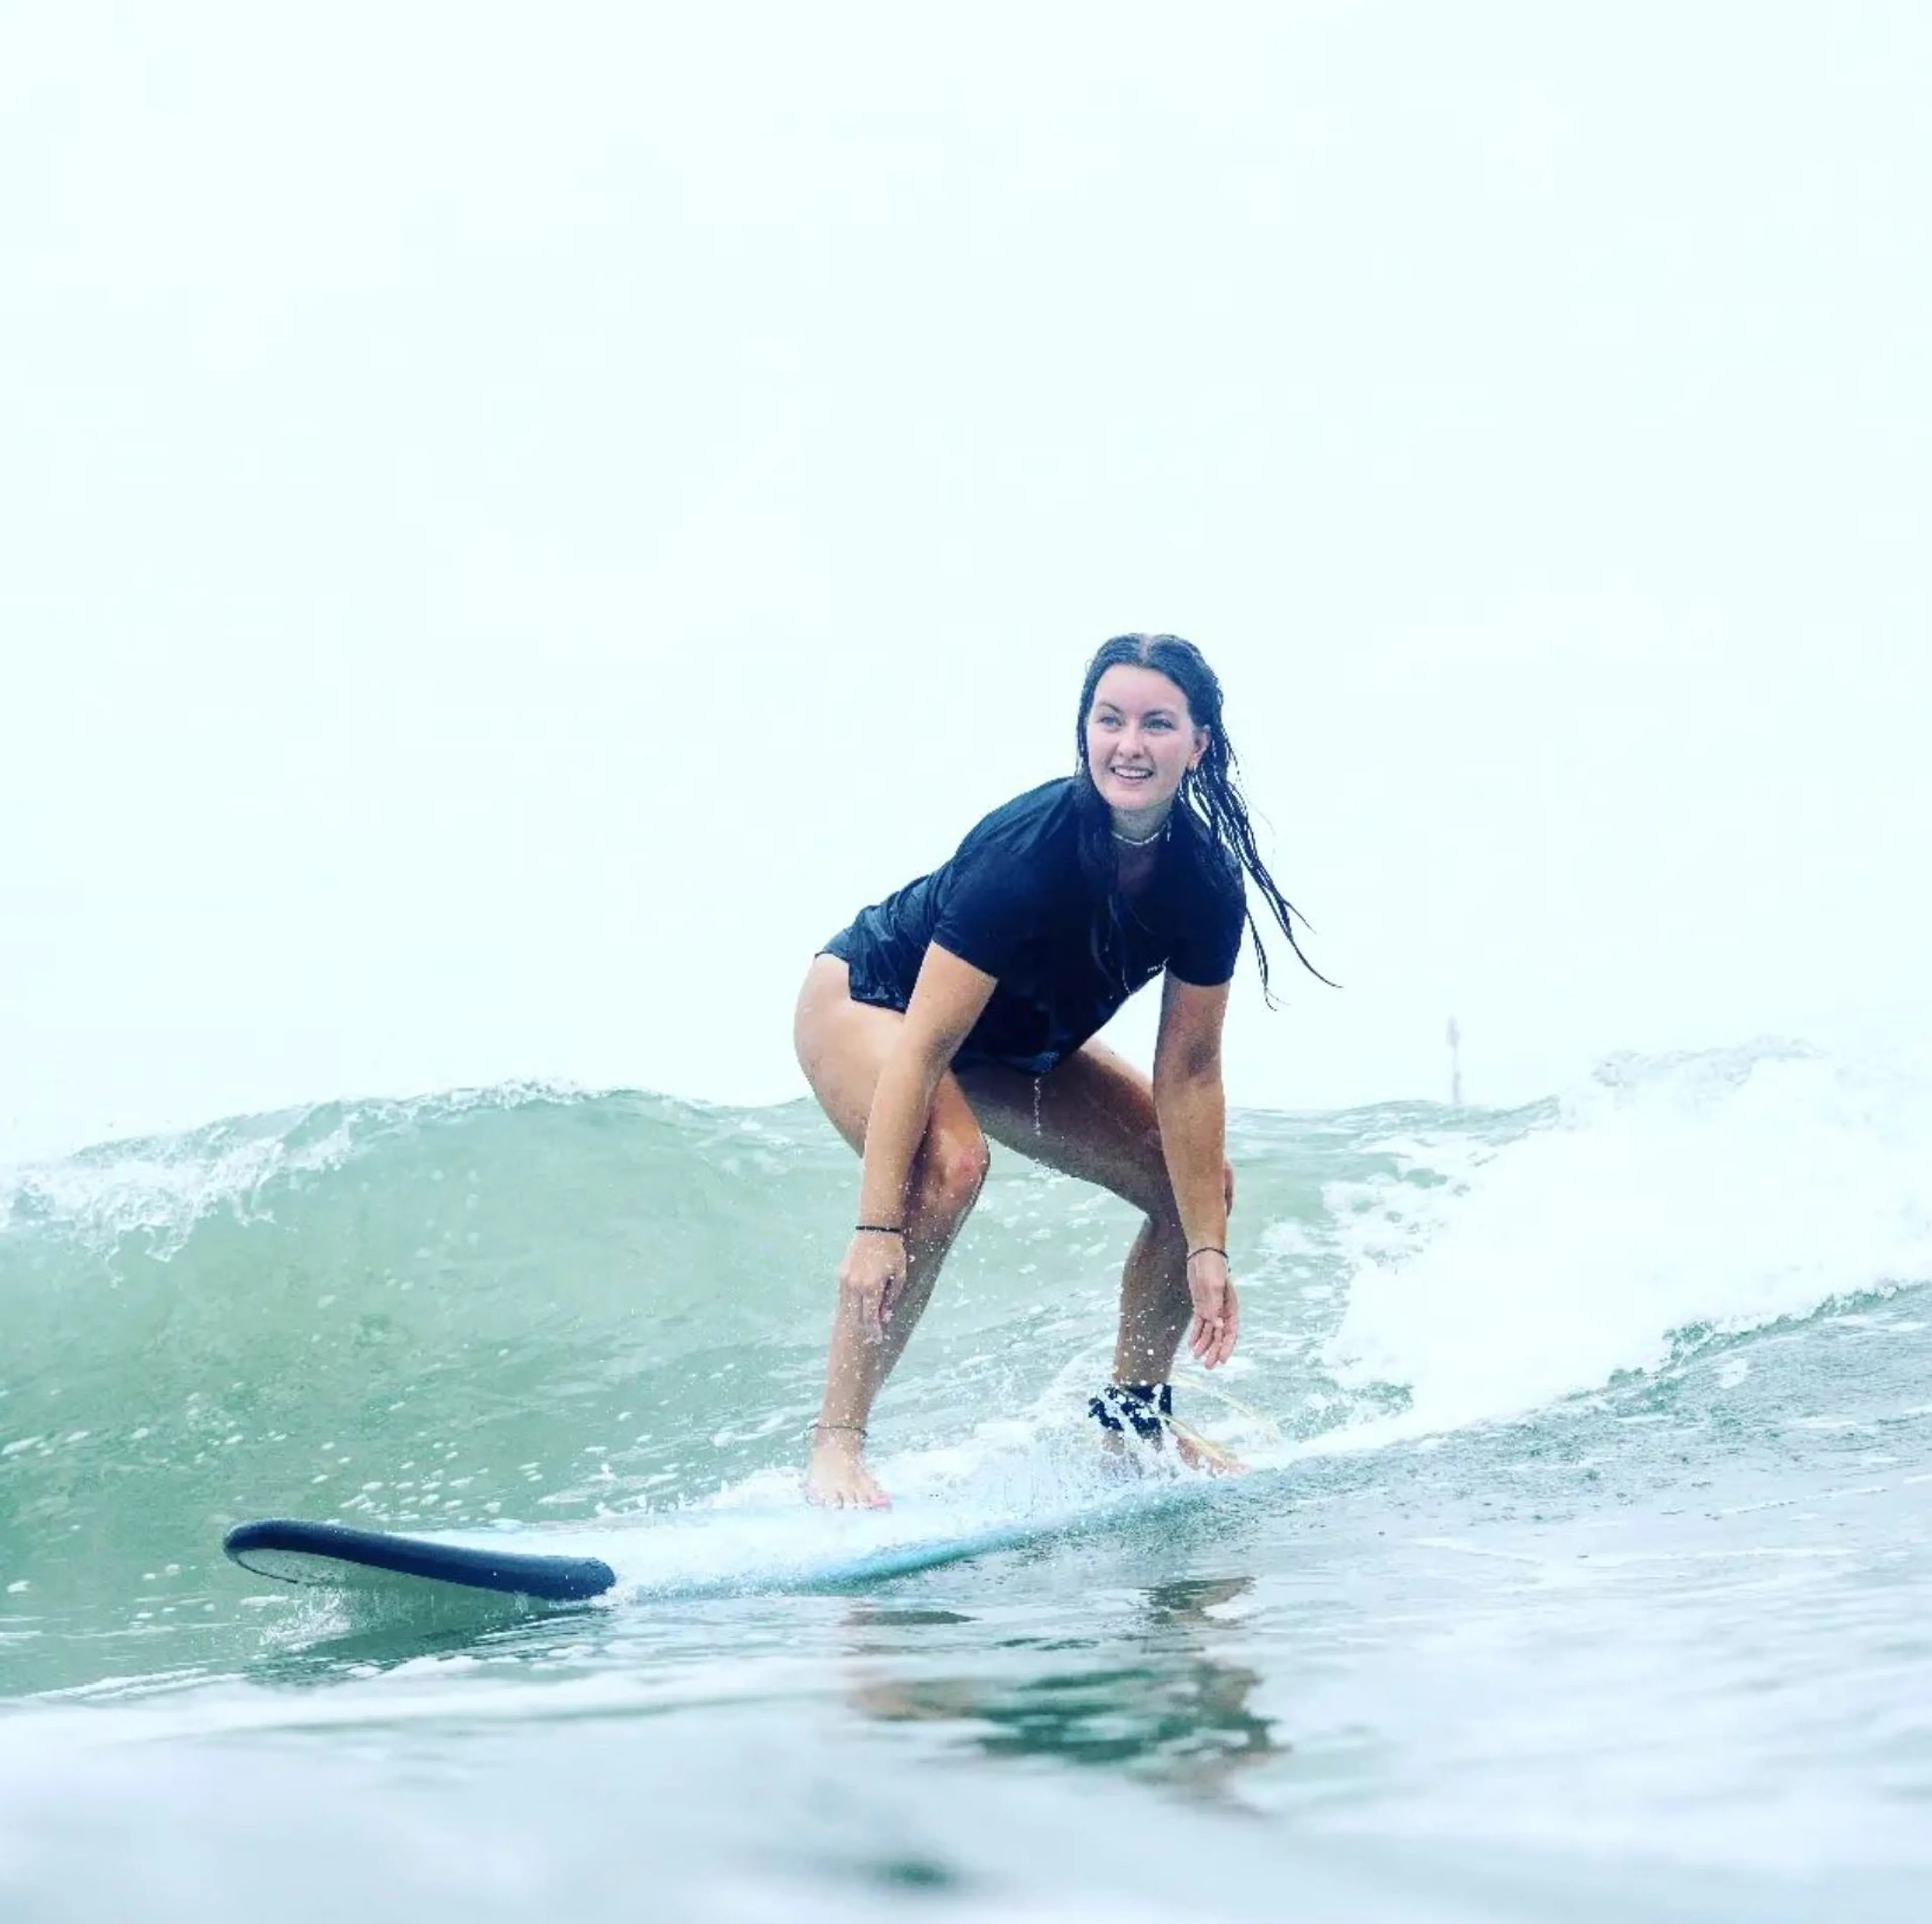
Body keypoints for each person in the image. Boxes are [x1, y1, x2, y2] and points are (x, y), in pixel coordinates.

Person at [793, 633, 1325, 1507]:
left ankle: (1132, 1430)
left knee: (1192, 1186)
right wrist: (875, 1229)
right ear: (1083, 732)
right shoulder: (1026, 852)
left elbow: (1190, 1073)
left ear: (1198, 745)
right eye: (1109, 719)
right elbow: (923, 1047)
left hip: (1004, 1042)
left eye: (1157, 724)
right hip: (872, 999)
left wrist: (1206, 1248)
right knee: (950, 1167)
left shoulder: (1203, 883)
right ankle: (837, 1445)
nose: (1129, 743)